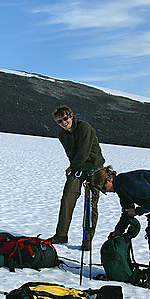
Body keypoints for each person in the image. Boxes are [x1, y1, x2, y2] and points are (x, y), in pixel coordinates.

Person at [47, 106, 105, 250]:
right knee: (67, 199)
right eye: (59, 121)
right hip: (77, 168)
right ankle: (61, 234)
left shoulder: (84, 128)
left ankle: (87, 240)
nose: (63, 123)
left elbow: (83, 152)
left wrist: (73, 167)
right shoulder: (63, 135)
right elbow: (71, 154)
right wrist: (73, 167)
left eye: (65, 118)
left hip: (93, 167)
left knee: (91, 204)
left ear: (71, 116)